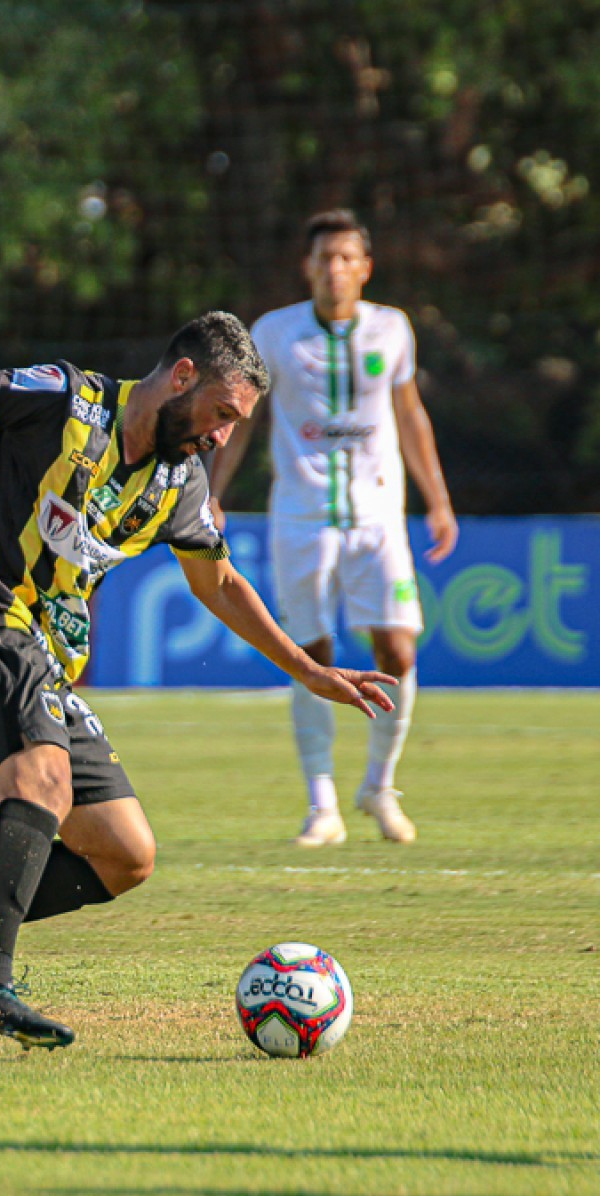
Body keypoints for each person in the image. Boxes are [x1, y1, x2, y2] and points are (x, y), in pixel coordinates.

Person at [0, 313, 396, 1049]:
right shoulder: (62, 399)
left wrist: (309, 671)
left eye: (234, 425)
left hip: (43, 659)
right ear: (182, 377)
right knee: (42, 782)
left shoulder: (180, 483)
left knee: (124, 852)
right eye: (220, 415)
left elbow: (221, 585)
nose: (221, 437)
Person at [208, 210, 458, 848]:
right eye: (323, 259)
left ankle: (380, 786)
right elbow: (240, 418)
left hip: (378, 518)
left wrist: (438, 498)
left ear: (365, 267)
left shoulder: (392, 329)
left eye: (347, 258)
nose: (334, 269)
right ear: (308, 268)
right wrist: (211, 491)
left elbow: (409, 414)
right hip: (301, 518)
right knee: (311, 657)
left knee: (398, 650)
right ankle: (322, 804)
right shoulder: (275, 332)